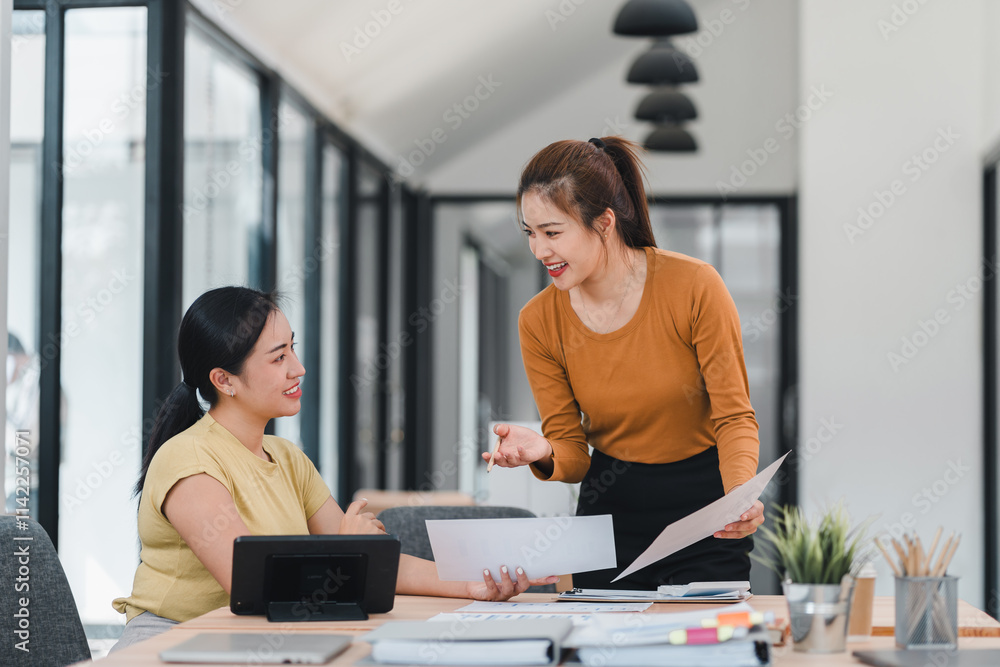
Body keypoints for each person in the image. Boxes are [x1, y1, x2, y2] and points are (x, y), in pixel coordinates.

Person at [112, 287, 556, 651]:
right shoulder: (188, 461)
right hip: (174, 642)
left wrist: (473, 586)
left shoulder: (286, 458)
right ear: (223, 380)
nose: (298, 368)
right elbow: (250, 587)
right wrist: (349, 551)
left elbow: (375, 563)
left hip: (254, 637)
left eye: (292, 350)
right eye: (278, 357)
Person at [484, 137, 765, 590]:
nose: (539, 250)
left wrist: (738, 497)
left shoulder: (694, 287)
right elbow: (574, 455)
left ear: (604, 222)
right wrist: (544, 450)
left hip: (706, 513)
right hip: (610, 512)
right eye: (530, 233)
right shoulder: (537, 321)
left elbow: (733, 416)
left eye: (553, 232)